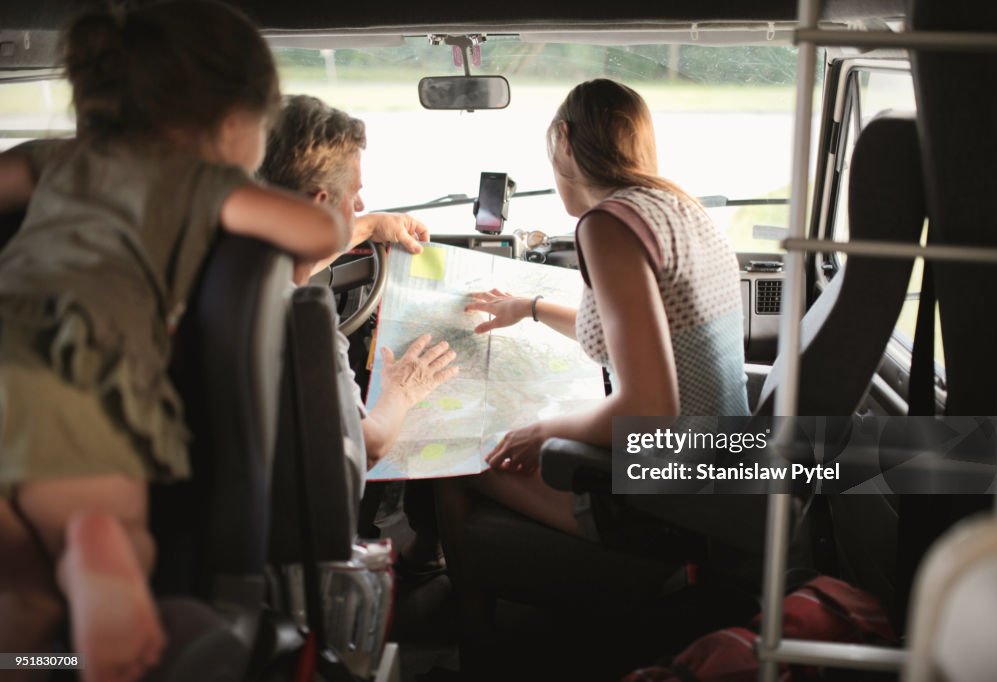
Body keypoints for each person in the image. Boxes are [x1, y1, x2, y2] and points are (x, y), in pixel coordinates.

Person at [0, 3, 351, 680]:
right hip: (77, 374)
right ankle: (99, 563)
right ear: (231, 123)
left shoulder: (53, 158)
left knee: (22, 598)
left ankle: (33, 662)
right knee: (104, 535)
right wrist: (336, 219)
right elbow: (315, 234)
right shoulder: (201, 180)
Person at [438, 77, 749, 644]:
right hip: (722, 468)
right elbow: (638, 324)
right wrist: (529, 308)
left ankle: (470, 645)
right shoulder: (675, 203)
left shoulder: (605, 225)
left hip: (669, 493)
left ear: (563, 140)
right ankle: (422, 570)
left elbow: (651, 408)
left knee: (460, 460)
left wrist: (543, 433)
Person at [258, 95, 455, 574]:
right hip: (296, 540)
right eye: (355, 193)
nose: (362, 202)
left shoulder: (220, 268)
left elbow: (294, 248)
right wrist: (404, 389)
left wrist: (367, 226)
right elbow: (367, 446)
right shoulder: (297, 319)